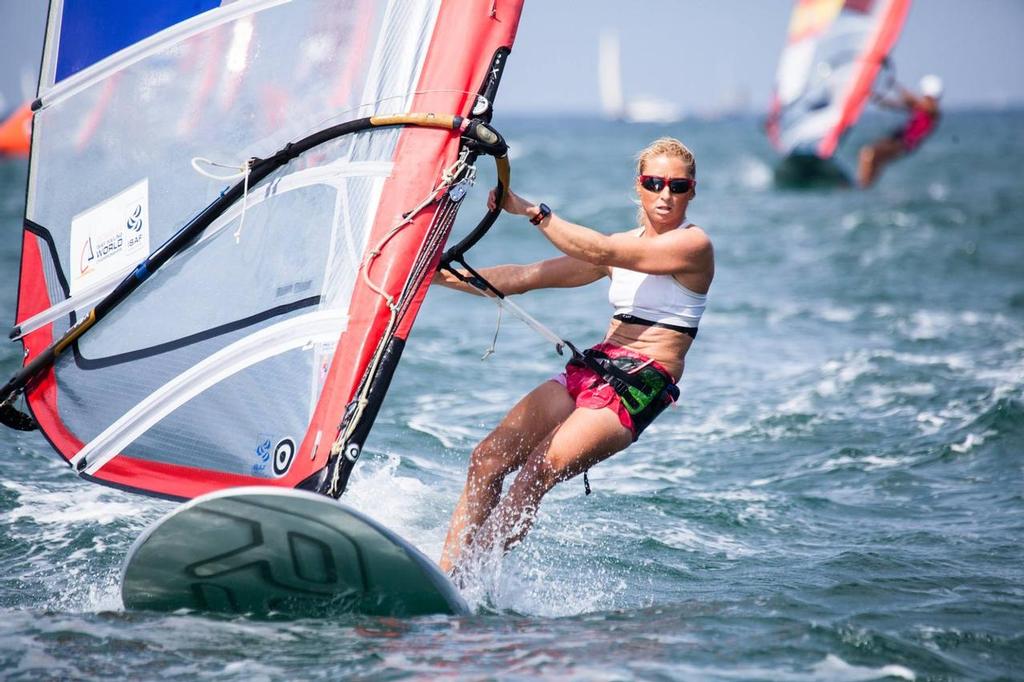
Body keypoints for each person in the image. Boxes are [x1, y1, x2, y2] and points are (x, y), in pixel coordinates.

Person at [433, 137, 714, 576]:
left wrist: (532, 210)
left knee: (534, 474)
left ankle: (468, 580)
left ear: (692, 191)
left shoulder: (692, 246)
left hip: (638, 386)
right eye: (654, 183)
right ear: (638, 186)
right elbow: (523, 277)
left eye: (677, 186)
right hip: (595, 367)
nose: (665, 195)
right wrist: (433, 276)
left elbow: (601, 250)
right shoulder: (623, 246)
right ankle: (444, 573)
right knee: (487, 458)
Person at [857, 74, 943, 188]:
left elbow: (914, 102)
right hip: (899, 139)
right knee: (877, 159)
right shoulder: (921, 106)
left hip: (903, 144)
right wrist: (875, 97)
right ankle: (866, 186)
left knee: (868, 153)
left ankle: (861, 185)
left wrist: (896, 86)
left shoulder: (933, 110)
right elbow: (898, 104)